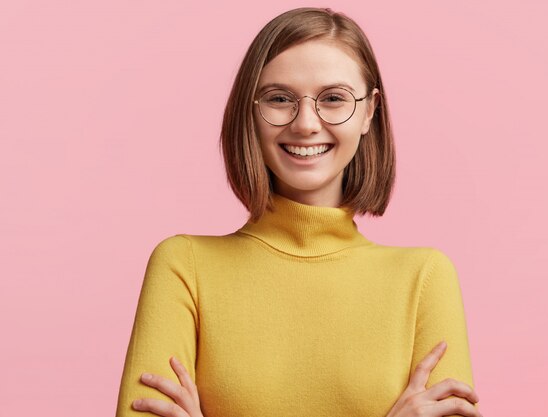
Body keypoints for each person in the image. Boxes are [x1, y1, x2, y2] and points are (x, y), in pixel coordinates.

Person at [115, 7, 481, 417]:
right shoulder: (184, 266)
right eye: (279, 98)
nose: (306, 123)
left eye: (334, 98)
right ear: (249, 111)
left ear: (369, 111)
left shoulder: (424, 279)